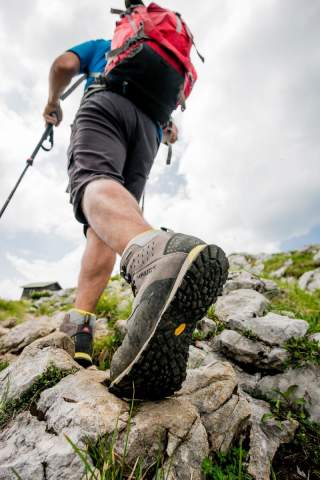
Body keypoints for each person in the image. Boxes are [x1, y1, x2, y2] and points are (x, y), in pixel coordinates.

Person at [43, 15, 228, 401]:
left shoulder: (106, 48)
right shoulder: (159, 66)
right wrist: (164, 127)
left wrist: (53, 101)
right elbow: (171, 127)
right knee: (107, 224)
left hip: (107, 104)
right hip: (149, 128)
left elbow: (63, 65)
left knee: (92, 182)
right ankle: (80, 327)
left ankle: (156, 257)